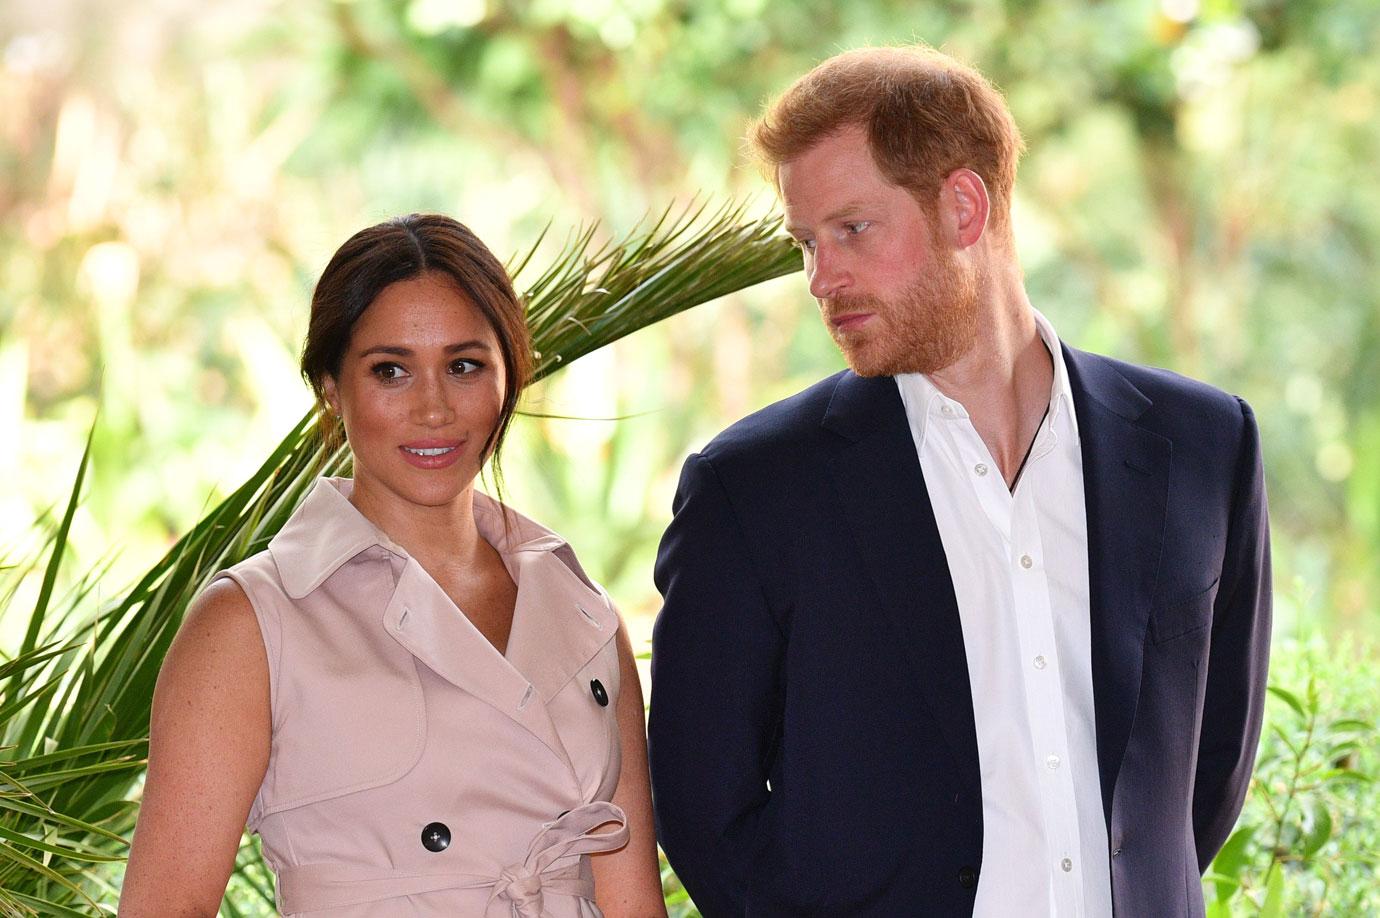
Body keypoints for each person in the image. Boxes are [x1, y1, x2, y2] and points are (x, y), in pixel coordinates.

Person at [648, 46, 1270, 917]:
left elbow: (1203, 779)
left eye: (852, 230)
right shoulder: (752, 490)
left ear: (964, 207)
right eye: (806, 243)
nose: (822, 279)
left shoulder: (1204, 446)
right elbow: (702, 809)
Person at [121, 214, 667, 917]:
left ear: (510, 377)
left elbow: (632, 905)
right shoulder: (253, 619)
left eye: (464, 366)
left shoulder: (580, 609)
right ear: (330, 388)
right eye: (391, 370)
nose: (433, 408)